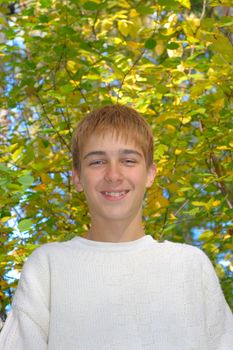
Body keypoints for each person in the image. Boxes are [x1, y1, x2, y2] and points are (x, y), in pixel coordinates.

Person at [0, 104, 233, 350]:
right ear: (77, 177)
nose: (113, 174)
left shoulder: (190, 266)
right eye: (98, 161)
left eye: (129, 160)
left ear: (150, 174)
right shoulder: (47, 267)